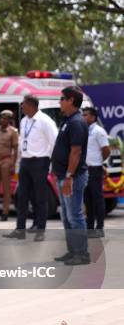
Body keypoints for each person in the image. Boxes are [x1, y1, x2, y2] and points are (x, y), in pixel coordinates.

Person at [4, 94, 57, 241]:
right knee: (22, 196)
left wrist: (50, 163)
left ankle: (41, 230)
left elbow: (54, 142)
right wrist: (19, 162)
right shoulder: (24, 120)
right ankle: (20, 229)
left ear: (32, 105)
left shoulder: (45, 121)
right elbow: (23, 141)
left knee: (40, 197)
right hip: (26, 162)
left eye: (23, 104)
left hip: (40, 161)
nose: (21, 106)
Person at [52, 86, 90, 265]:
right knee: (66, 216)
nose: (59, 102)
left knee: (75, 215)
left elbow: (76, 152)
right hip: (63, 176)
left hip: (72, 177)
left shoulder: (76, 122)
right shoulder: (68, 120)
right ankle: (72, 251)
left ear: (71, 101)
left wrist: (68, 176)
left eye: (62, 99)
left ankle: (82, 254)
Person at [83, 107, 110, 238]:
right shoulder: (85, 130)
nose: (83, 117)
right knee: (88, 200)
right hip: (85, 170)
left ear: (93, 117)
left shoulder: (98, 131)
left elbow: (106, 150)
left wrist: (99, 162)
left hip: (94, 169)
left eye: (86, 115)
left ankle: (100, 228)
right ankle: (89, 228)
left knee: (97, 199)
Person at [0, 110, 19, 221]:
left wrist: (13, 165)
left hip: (7, 161)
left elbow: (15, 149)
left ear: (9, 120)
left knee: (6, 189)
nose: (3, 120)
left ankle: (5, 212)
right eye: (2, 117)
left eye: (6, 118)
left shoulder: (13, 132)